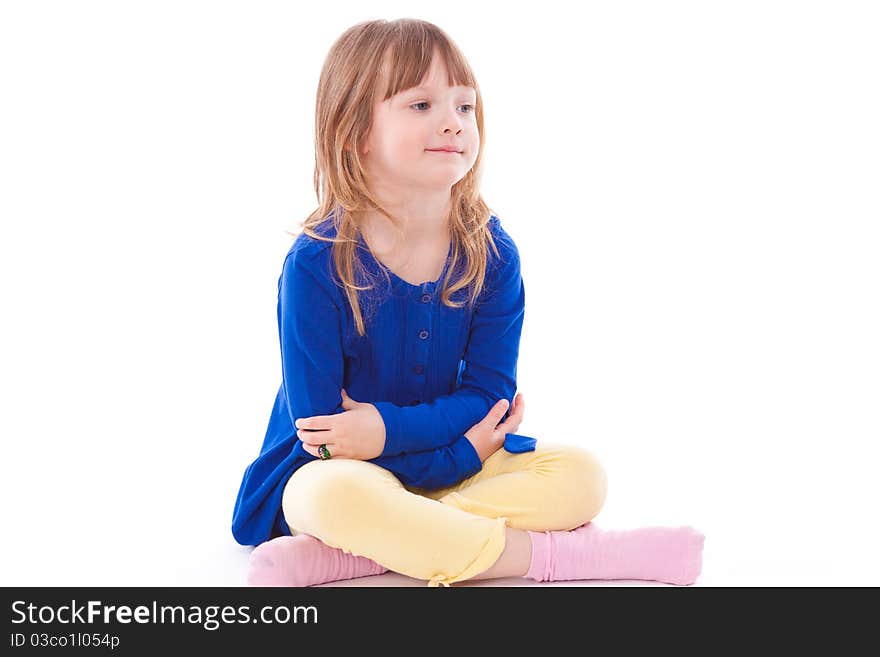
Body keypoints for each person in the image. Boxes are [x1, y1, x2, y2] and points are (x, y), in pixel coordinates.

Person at [231, 18, 704, 588]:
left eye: (464, 106)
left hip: (451, 456)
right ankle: (565, 559)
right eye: (421, 104)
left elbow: (489, 397)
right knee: (328, 497)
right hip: (344, 470)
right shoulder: (317, 263)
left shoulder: (492, 253)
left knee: (581, 476)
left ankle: (358, 555)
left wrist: (392, 434)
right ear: (355, 131)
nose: (453, 123)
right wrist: (454, 458)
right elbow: (325, 438)